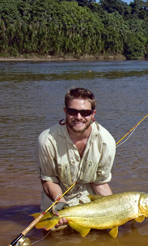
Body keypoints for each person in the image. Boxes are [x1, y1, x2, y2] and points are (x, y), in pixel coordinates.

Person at [36, 88, 116, 224]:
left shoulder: (107, 141)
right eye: (73, 111)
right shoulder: (46, 140)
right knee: (53, 238)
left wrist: (117, 209)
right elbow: (48, 180)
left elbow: (99, 183)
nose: (78, 117)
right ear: (65, 111)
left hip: (90, 201)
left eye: (85, 112)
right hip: (57, 199)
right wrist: (60, 203)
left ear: (93, 114)